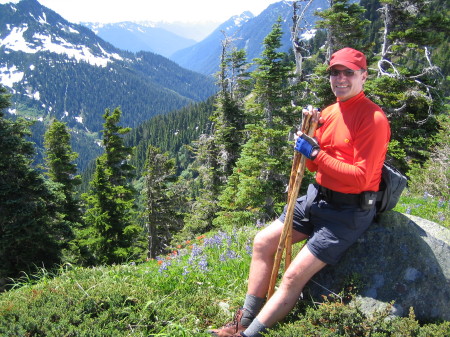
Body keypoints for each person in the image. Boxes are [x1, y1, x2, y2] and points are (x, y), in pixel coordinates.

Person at [209, 47, 391, 337]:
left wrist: (315, 152)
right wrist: (309, 139)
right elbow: (309, 167)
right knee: (262, 243)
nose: (340, 78)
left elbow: (360, 178)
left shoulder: (373, 119)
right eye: (335, 72)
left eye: (349, 73)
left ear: (363, 76)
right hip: (315, 198)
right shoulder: (330, 113)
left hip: (347, 211)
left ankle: (249, 334)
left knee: (292, 275)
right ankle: (242, 320)